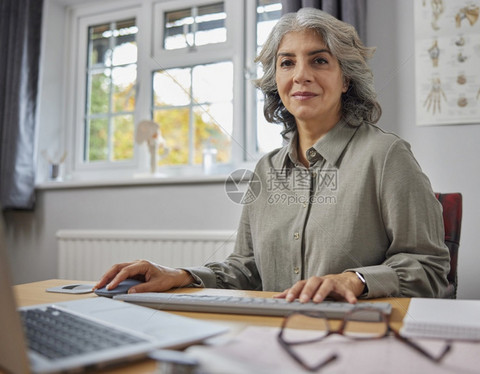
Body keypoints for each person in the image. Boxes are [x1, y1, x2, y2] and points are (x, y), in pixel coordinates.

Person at [95, 8, 450, 303]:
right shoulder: (265, 170)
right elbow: (246, 269)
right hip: (273, 337)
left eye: (319, 60)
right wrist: (180, 275)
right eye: (287, 63)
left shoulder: (386, 155)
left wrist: (356, 280)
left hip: (357, 338)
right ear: (276, 81)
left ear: (345, 79)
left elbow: (431, 269)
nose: (301, 76)